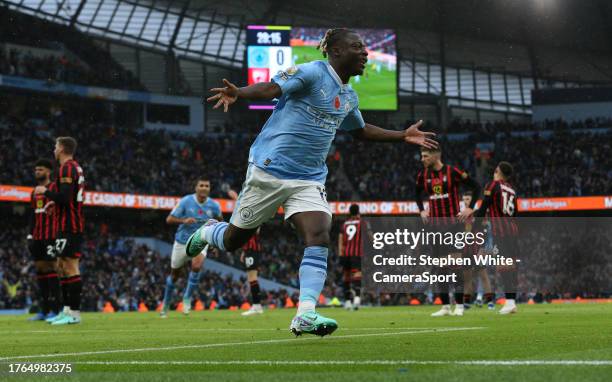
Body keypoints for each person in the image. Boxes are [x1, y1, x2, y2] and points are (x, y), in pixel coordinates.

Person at [187, 28, 437, 337]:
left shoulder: (348, 95)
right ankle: (208, 231)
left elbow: (359, 131)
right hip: (270, 169)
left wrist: (402, 136)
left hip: (308, 178)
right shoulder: (310, 72)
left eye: (364, 48)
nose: (365, 53)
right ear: (334, 51)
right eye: (357, 47)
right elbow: (270, 89)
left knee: (319, 235)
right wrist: (239, 92)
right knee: (233, 241)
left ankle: (305, 313)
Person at [415, 146, 480, 317]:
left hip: (453, 225)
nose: (422, 159)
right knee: (440, 268)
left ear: (436, 155)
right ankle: (445, 307)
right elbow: (416, 193)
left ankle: (459, 306)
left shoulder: (452, 172)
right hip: (435, 227)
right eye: (421, 156)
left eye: (425, 156)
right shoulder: (423, 175)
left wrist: (470, 208)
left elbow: (476, 186)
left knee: (456, 266)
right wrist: (421, 209)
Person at [35, 137, 85, 325]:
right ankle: (66, 311)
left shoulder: (67, 167)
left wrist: (45, 192)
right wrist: (53, 203)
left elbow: (65, 197)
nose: (54, 149)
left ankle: (75, 313)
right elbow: (66, 197)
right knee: (62, 266)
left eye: (56, 146)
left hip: (71, 225)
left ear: (62, 148)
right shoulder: (73, 168)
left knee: (70, 266)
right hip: (65, 224)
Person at [160, 177, 223, 318]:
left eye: (207, 185)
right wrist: (184, 220)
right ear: (196, 188)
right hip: (182, 241)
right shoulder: (185, 201)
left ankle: (187, 299)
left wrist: (215, 243)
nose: (204, 187)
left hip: (200, 239)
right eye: (201, 185)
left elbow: (220, 222)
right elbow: (169, 219)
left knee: (196, 266)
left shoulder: (214, 205)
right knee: (175, 275)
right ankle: (166, 302)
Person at [472, 162, 519, 314]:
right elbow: (515, 212)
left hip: (501, 232)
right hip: (512, 230)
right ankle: (511, 301)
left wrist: (474, 228)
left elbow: (484, 206)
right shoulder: (512, 189)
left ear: (497, 171)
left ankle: (510, 302)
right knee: (511, 266)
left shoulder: (492, 185)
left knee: (503, 266)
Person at [27, 159, 60, 321]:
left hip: (51, 236)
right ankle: (44, 310)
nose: (37, 172)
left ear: (48, 172)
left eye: (40, 169)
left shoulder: (54, 188)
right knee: (40, 269)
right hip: (38, 236)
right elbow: (33, 214)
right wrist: (30, 234)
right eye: (36, 169)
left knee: (53, 268)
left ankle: (57, 309)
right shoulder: (34, 192)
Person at [337, 204, 366, 310]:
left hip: (346, 255)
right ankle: (357, 299)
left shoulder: (344, 224)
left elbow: (340, 241)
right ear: (358, 212)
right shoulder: (362, 223)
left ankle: (348, 302)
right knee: (357, 275)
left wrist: (341, 255)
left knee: (346, 278)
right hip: (357, 254)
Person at [240, 228, 264, 316]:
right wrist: (244, 252)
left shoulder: (254, 218)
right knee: (251, 278)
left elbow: (256, 230)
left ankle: (257, 306)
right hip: (249, 251)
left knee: (252, 277)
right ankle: (257, 306)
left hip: (252, 251)